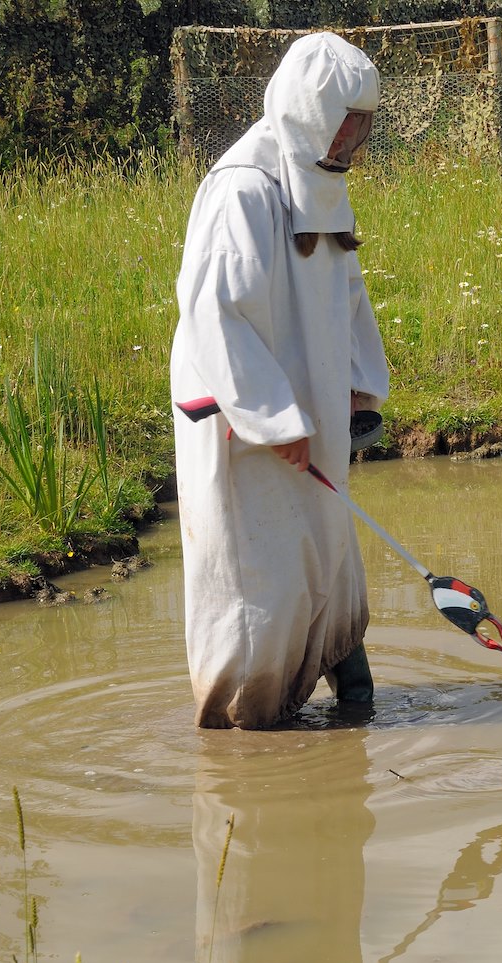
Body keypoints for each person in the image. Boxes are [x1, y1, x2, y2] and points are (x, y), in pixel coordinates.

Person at [170, 32, 388, 729]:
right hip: (243, 423)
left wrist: (356, 382)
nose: (356, 137)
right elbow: (214, 313)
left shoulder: (323, 186)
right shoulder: (243, 187)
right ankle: (245, 729)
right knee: (258, 574)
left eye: (364, 124)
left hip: (313, 408)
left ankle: (349, 689)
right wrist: (274, 419)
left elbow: (347, 293)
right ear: (312, 111)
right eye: (346, 121)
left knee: (325, 546)